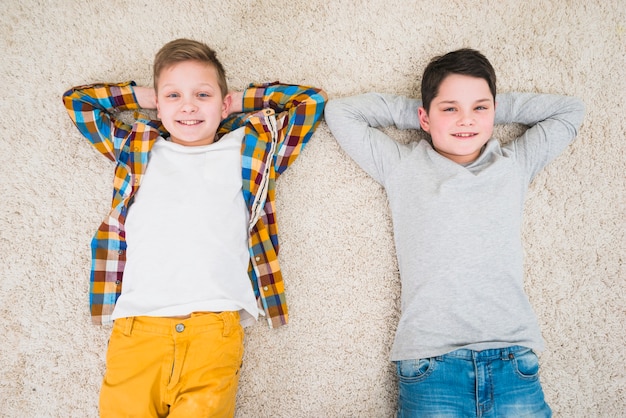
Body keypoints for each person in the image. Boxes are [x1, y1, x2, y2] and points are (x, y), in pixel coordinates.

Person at [63, 38, 326, 417]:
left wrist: (234, 103)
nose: (188, 105)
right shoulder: (137, 146)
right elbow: (79, 103)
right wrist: (144, 96)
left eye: (202, 94)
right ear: (157, 102)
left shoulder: (248, 148)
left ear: (223, 103)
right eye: (174, 95)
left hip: (213, 329)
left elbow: (309, 103)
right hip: (137, 329)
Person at [324, 48, 585, 417]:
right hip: (431, 363)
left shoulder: (515, 164)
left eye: (479, 108)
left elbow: (570, 110)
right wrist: (430, 114)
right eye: (450, 109)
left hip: (512, 357)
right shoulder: (402, 166)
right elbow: (341, 113)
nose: (466, 120)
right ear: (424, 117)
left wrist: (486, 110)